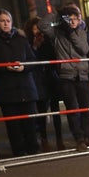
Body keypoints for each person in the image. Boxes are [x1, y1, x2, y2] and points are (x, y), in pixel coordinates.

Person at [0, 9, 39, 157]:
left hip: (25, 86)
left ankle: (33, 150)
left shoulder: (21, 39)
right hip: (6, 87)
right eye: (2, 21)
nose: (5, 24)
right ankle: (18, 152)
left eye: (8, 21)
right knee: (13, 124)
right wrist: (4, 66)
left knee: (30, 121)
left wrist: (23, 66)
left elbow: (33, 60)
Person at [39, 4, 89, 151]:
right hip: (66, 76)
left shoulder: (81, 32)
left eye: (75, 18)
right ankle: (79, 139)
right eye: (69, 18)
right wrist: (57, 14)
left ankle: (88, 137)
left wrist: (71, 33)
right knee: (72, 109)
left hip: (82, 75)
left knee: (86, 109)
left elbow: (84, 49)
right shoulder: (56, 33)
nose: (72, 21)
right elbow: (42, 24)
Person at [24, 17, 64, 151]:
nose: (38, 31)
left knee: (56, 111)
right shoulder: (28, 43)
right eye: (35, 28)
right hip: (38, 79)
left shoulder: (49, 40)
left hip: (51, 77)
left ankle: (59, 139)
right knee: (41, 112)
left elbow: (55, 56)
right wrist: (35, 46)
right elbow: (30, 60)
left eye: (39, 28)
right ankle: (44, 139)